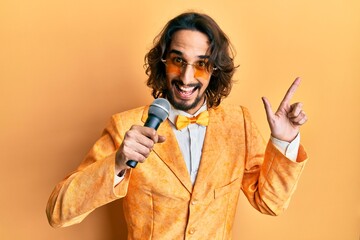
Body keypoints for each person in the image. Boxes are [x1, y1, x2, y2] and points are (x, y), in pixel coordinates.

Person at [46, 12, 308, 239]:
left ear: (215, 70)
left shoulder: (238, 124)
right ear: (163, 62)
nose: (186, 77)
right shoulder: (125, 127)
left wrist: (284, 141)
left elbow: (271, 203)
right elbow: (58, 212)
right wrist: (118, 162)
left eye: (201, 64)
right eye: (178, 60)